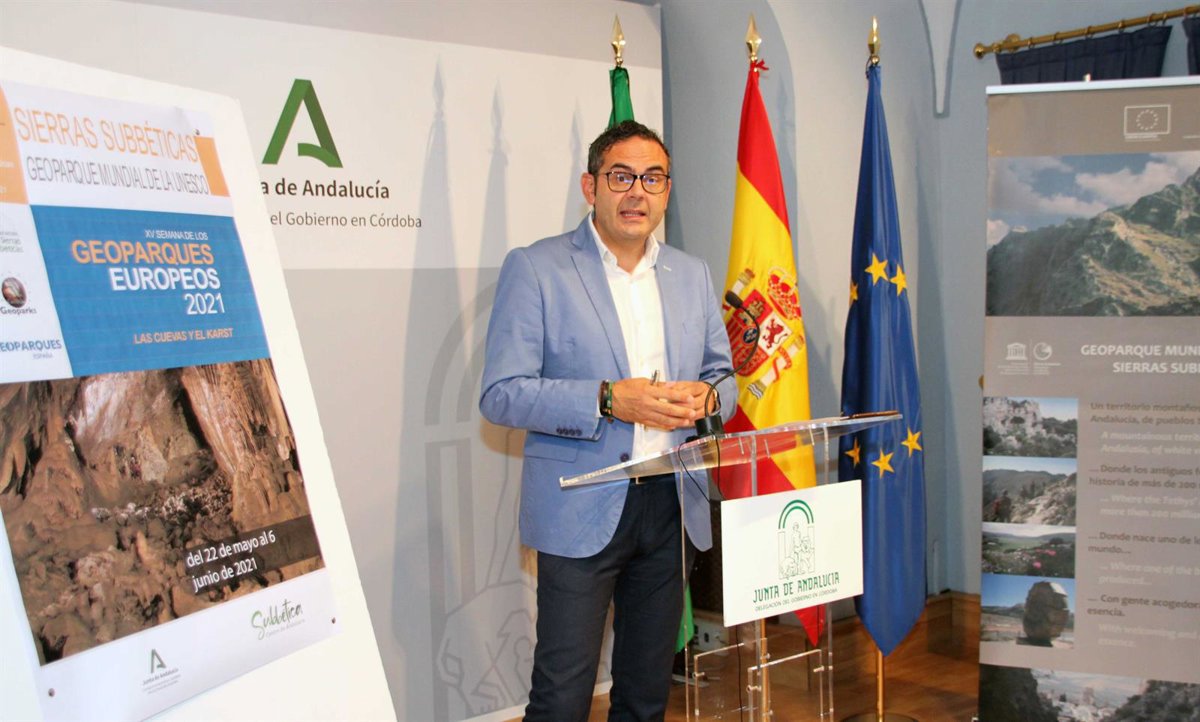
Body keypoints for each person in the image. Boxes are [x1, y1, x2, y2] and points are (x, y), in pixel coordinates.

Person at [480, 120, 736, 721]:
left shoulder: (691, 273)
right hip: (582, 503)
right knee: (562, 695)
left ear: (667, 191)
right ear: (590, 186)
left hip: (672, 503)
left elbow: (723, 376)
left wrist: (707, 398)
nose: (637, 192)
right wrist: (606, 400)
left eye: (652, 178)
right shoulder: (537, 268)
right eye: (621, 176)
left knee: (646, 694)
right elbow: (501, 394)